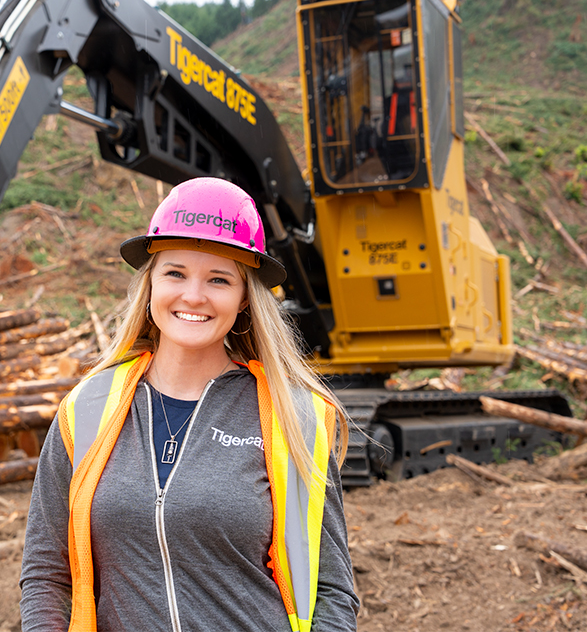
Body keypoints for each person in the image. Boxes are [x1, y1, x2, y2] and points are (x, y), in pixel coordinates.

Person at [19, 177, 358, 631]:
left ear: (243, 300)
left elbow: (333, 591)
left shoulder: (292, 417)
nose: (193, 296)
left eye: (218, 279)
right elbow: (46, 572)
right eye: (175, 273)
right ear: (151, 285)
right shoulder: (87, 409)